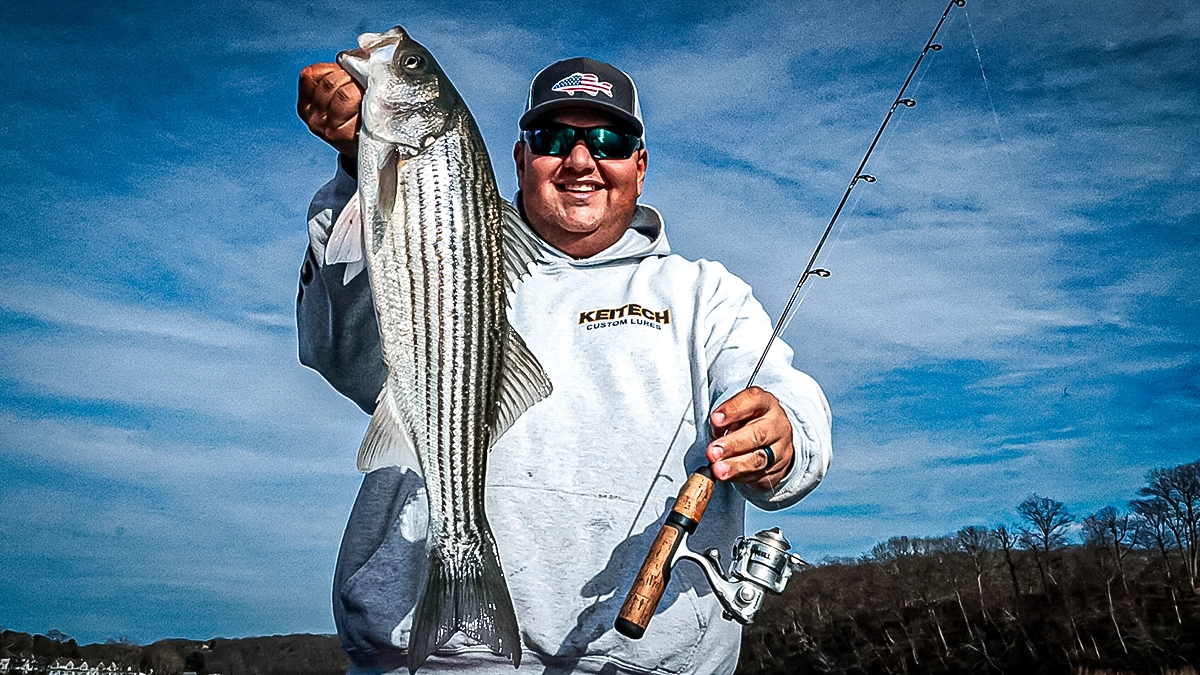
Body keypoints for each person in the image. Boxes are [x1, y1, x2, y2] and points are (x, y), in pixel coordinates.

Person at [296, 55, 833, 675]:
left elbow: (786, 401)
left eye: (608, 139)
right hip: (425, 659)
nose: (581, 160)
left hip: (640, 661)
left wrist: (783, 435)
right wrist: (360, 171)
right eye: (554, 139)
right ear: (522, 159)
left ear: (640, 162)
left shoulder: (705, 294)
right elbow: (339, 352)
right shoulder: (446, 250)